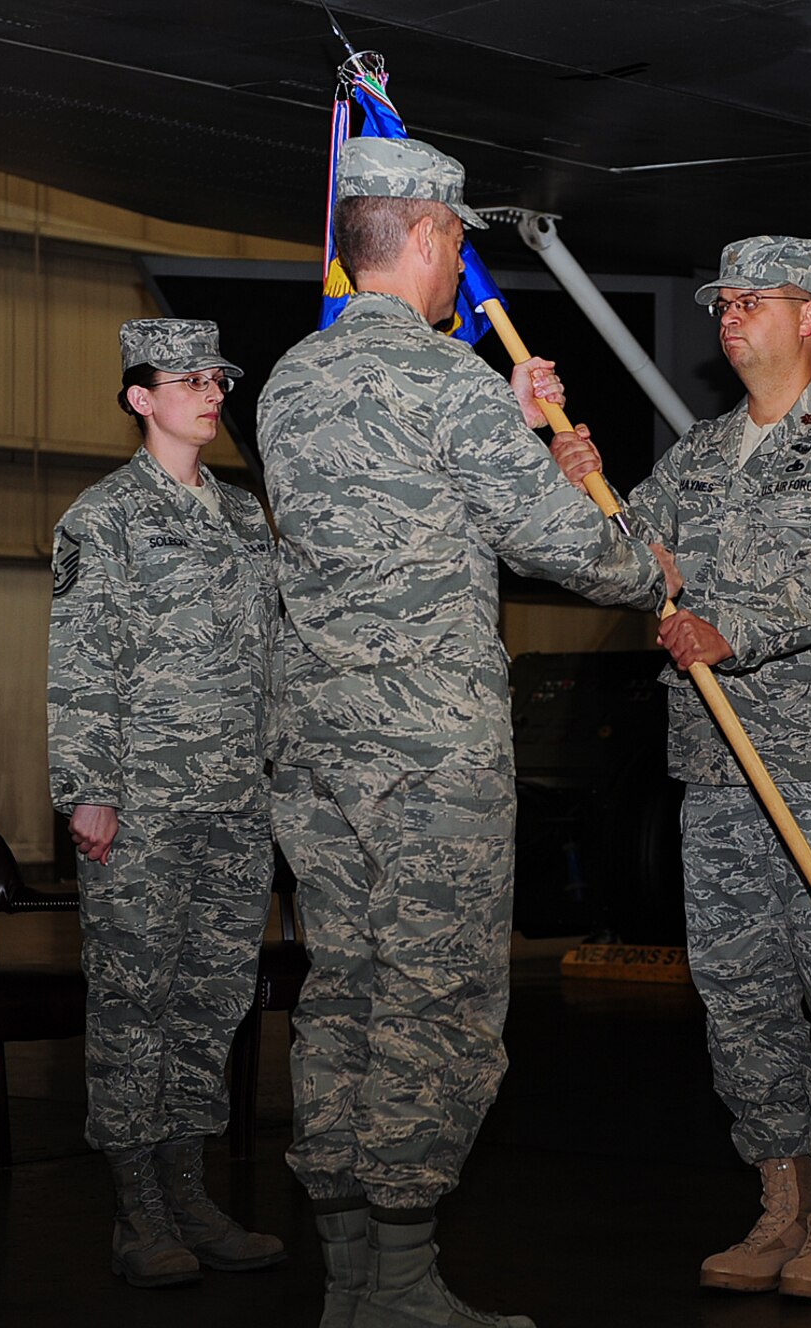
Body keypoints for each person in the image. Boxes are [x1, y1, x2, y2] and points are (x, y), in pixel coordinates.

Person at [256, 135, 665, 1328]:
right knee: (433, 1000)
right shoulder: (444, 380)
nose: (457, 267)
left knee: (343, 991)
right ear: (431, 236)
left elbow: (404, 494)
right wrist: (650, 566)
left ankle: (347, 1280)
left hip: (319, 747)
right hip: (430, 752)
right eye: (456, 243)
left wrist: (509, 421)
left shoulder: (288, 381)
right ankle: (400, 1283)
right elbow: (560, 542)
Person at [552, 235, 811, 1303]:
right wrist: (579, 492)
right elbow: (632, 561)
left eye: (753, 300)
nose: (728, 315)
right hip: (719, 770)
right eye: (722, 301)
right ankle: (779, 1204)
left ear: (808, 315)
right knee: (741, 996)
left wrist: (731, 631)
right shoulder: (701, 454)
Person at [47, 318, 286, 1288]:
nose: (211, 392)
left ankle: (188, 1192)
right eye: (190, 379)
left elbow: (273, 657)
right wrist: (88, 790)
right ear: (140, 397)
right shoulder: (101, 517)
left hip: (236, 804)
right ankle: (136, 1209)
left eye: (217, 378)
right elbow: (80, 663)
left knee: (211, 1003)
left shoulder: (244, 517)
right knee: (132, 1002)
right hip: (142, 805)